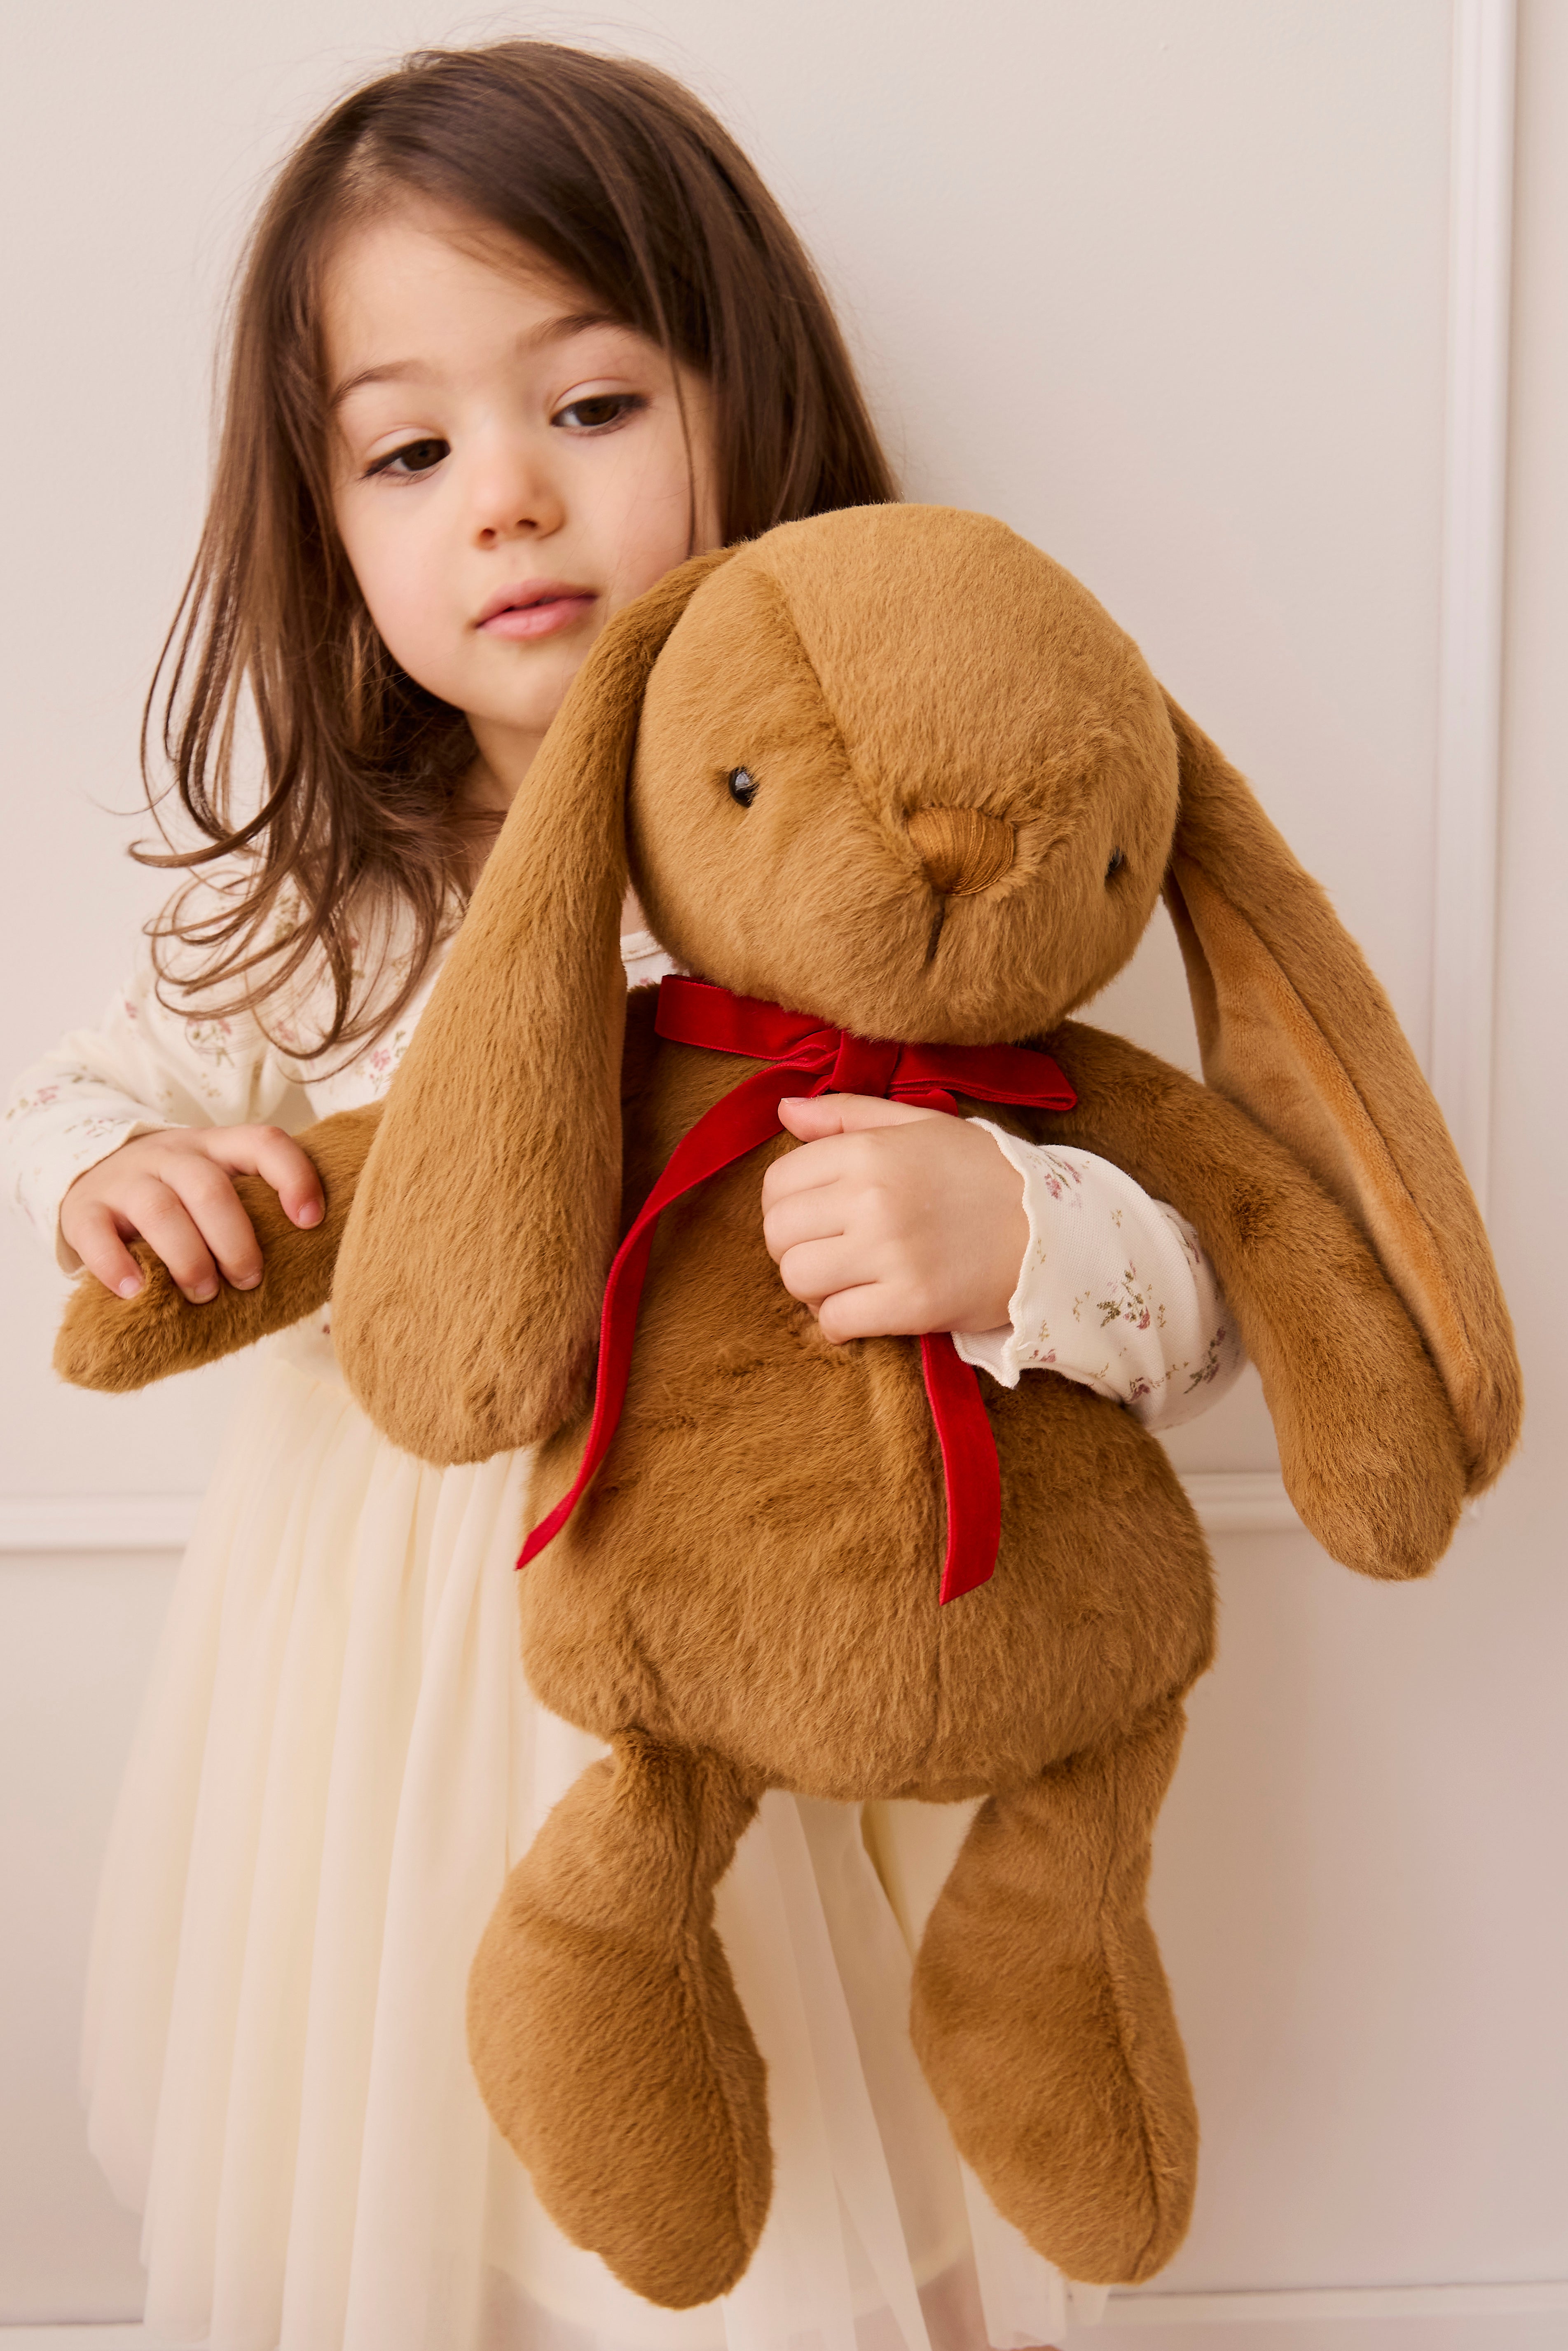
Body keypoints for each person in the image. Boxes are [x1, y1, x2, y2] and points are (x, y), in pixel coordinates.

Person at [3, 42, 1242, 2351]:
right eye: (410, 447)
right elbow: (85, 1099)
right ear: (331, 521)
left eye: (589, 408)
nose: (506, 501)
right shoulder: (334, 904)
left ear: (746, 405)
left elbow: (1199, 1280)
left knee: (837, 2221)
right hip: (386, 1719)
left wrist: (1015, 1241)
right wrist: (128, 1177)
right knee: (426, 2216)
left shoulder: (880, 888)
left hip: (779, 1710)